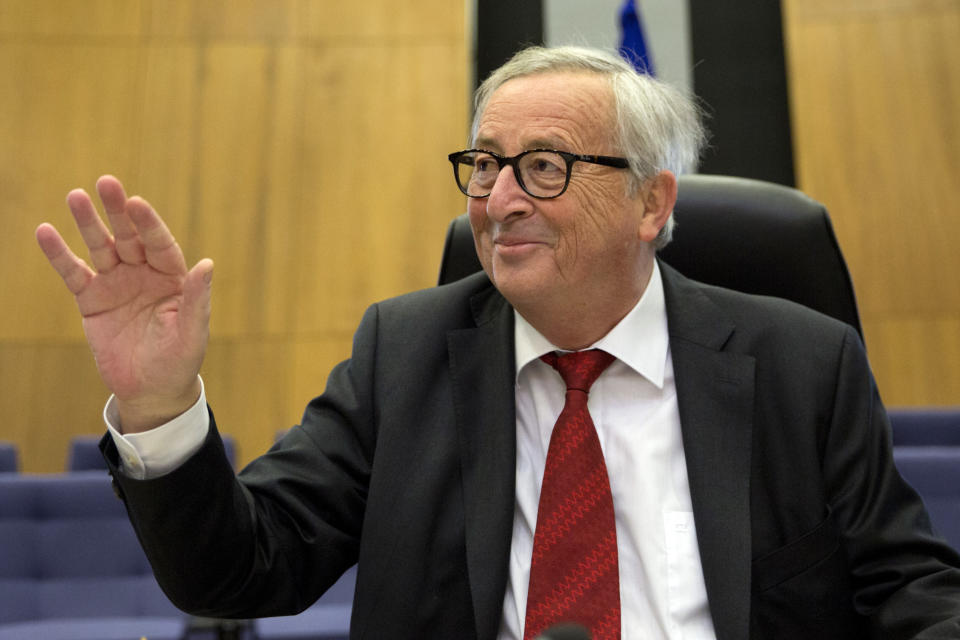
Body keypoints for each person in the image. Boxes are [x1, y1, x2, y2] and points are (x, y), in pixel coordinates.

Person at [35, 46, 960, 640]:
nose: (499, 199)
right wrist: (159, 403)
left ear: (651, 202)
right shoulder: (405, 354)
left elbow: (910, 593)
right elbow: (241, 571)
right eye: (483, 165)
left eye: (545, 167)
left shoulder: (804, 364)